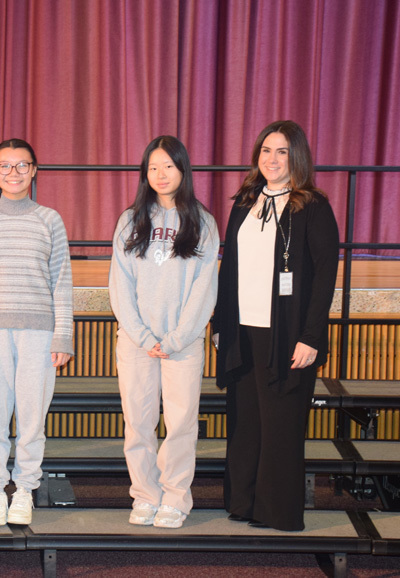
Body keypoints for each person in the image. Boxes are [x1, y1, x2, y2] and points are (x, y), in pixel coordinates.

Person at [214, 120, 339, 531]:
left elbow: (324, 276)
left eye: (282, 151)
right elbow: (228, 268)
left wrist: (311, 337)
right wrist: (221, 324)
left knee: (282, 424)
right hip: (243, 329)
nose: (272, 159)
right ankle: (245, 503)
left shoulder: (313, 205)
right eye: (266, 150)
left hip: (287, 334)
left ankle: (277, 512)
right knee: (246, 421)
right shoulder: (244, 203)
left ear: (296, 157)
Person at [0, 138, 73, 526]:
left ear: (34, 170)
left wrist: (62, 337)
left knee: (32, 417)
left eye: (22, 166)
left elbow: (62, 283)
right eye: (5, 166)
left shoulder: (49, 219)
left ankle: (24, 489)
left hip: (39, 335)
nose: (14, 173)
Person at [109, 136, 219, 529]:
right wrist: (142, 336)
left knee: (180, 424)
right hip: (136, 343)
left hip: (183, 345)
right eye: (153, 167)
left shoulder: (203, 222)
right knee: (137, 423)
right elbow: (119, 285)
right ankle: (145, 495)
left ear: (183, 170)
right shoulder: (130, 220)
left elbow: (205, 289)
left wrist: (173, 340)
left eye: (168, 166)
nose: (160, 174)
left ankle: (175, 497)